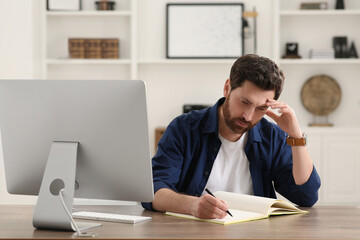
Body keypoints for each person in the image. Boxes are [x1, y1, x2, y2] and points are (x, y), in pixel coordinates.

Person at [142, 54, 321, 219]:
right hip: (195, 232)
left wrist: (296, 137)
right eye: (244, 102)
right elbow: (153, 191)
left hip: (256, 233)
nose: (248, 116)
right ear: (227, 88)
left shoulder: (272, 136)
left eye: (261, 108)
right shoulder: (183, 129)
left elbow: (306, 196)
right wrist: (193, 205)